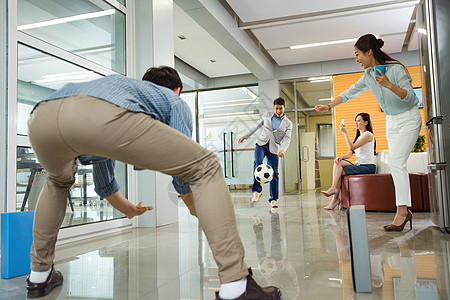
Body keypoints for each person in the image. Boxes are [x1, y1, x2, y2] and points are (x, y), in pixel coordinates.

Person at [26, 66, 282, 300]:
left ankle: (39, 275)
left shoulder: (121, 90)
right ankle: (236, 285)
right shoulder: (174, 100)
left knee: (57, 183)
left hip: (41, 117)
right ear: (177, 89)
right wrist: (195, 206)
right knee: (206, 166)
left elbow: (102, 153)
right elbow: (188, 171)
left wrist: (126, 208)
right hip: (97, 114)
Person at [315, 34, 422, 231]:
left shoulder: (396, 69)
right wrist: (329, 106)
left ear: (369, 52)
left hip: (408, 118)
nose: (356, 59)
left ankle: (402, 211)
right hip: (391, 121)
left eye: (358, 54)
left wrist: (389, 85)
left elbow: (412, 99)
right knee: (397, 165)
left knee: (397, 163)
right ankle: (404, 210)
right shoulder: (368, 76)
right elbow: (349, 93)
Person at [238, 97, 292, 208]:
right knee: (257, 162)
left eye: (280, 109)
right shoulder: (267, 115)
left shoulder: (288, 123)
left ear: (284, 108)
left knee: (274, 173)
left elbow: (287, 138)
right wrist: (245, 136)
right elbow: (256, 126)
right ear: (274, 107)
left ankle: (273, 199)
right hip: (261, 143)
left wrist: (283, 150)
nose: (278, 111)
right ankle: (257, 191)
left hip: (274, 148)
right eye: (276, 108)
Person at [322, 113, 376, 210]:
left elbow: (352, 146)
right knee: (338, 163)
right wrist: (341, 157)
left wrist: (345, 133)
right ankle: (335, 193)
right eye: (355, 120)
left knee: (339, 172)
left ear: (366, 123)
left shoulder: (368, 134)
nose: (356, 122)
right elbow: (351, 153)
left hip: (367, 166)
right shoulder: (360, 137)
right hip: (359, 165)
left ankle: (335, 196)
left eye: (359, 120)